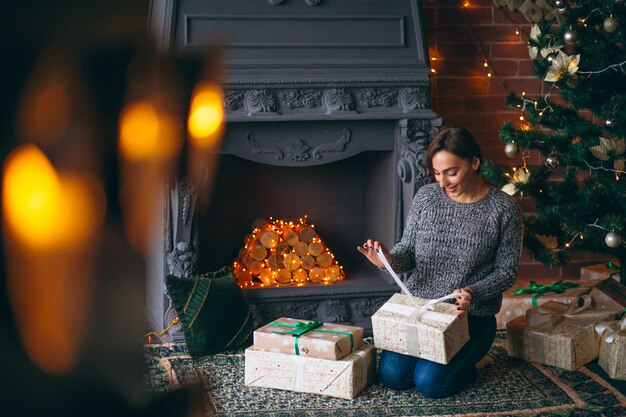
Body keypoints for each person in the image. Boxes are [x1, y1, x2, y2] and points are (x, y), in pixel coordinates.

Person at [357, 126, 523, 398]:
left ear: (474, 163)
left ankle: (476, 362)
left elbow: (506, 272)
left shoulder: (503, 209)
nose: (443, 182)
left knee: (430, 383)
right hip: (421, 312)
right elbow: (407, 252)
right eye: (436, 173)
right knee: (392, 376)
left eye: (451, 172)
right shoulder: (426, 197)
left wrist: (474, 292)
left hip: (469, 318)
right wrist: (386, 259)